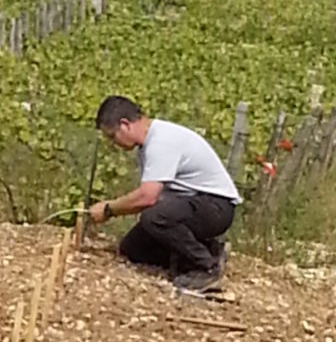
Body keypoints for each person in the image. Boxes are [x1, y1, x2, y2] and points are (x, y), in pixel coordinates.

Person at [89, 95, 241, 290]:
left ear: (125, 124)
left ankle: (207, 268)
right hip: (196, 204)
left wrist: (109, 209)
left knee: (154, 217)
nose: (113, 144)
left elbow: (148, 196)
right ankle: (207, 251)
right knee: (133, 248)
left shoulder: (161, 142)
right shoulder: (150, 142)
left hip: (216, 207)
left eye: (112, 136)